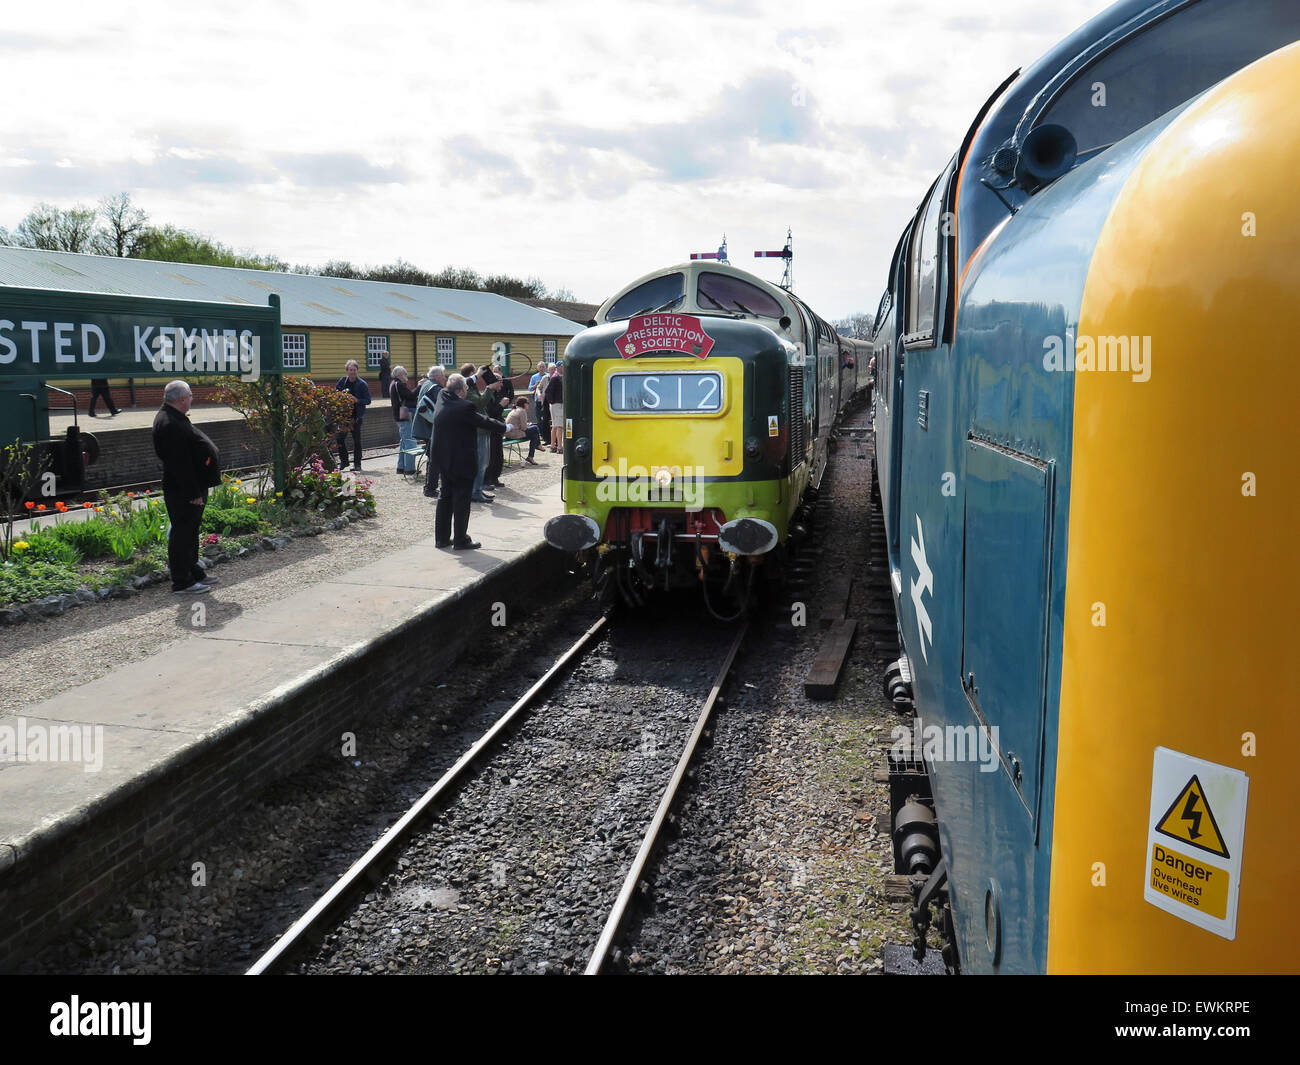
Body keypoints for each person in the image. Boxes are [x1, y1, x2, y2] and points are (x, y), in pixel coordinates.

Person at [152, 380, 222, 595]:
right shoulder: (169, 423)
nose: (192, 399)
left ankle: (194, 572)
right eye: (190, 395)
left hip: (191, 487)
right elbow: (179, 464)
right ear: (182, 398)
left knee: (190, 532)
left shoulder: (174, 418)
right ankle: (181, 581)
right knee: (182, 534)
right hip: (183, 490)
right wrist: (192, 493)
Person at [432, 372, 505, 551]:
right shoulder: (464, 407)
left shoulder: (443, 396)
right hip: (461, 461)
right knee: (462, 500)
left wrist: (476, 375)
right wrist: (506, 427)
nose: (467, 390)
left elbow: (455, 386)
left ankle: (441, 539)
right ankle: (460, 540)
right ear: (461, 391)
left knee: (445, 497)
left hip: (443, 459)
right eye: (465, 387)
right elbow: (483, 421)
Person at [462, 363, 494, 502]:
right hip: (477, 430)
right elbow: (479, 403)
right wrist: (489, 390)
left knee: (484, 463)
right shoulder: (465, 388)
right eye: (475, 372)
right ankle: (475, 491)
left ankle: (478, 489)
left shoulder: (470, 387)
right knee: (480, 463)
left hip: (482, 429)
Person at [334, 360, 372, 471]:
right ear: (347, 371)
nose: (352, 372)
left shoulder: (362, 384)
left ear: (357, 371)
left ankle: (357, 464)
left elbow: (368, 400)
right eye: (350, 370)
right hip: (343, 417)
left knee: (357, 441)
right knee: (340, 439)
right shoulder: (342, 381)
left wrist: (357, 400)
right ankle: (344, 462)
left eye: (354, 370)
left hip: (356, 417)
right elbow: (335, 392)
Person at [415, 366, 446, 498]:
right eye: (443, 375)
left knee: (432, 458)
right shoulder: (436, 388)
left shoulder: (426, 383)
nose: (445, 378)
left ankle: (429, 486)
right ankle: (430, 488)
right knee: (435, 459)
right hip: (431, 428)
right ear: (437, 376)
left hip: (424, 426)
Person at [483, 370, 510, 489]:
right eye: (500, 382)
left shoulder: (497, 393)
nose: (502, 385)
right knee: (492, 455)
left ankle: (495, 478)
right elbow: (491, 413)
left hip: (498, 428)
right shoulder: (487, 395)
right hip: (491, 429)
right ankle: (488, 479)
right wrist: (501, 406)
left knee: (498, 455)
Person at [390, 366, 419, 474]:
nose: (406, 376)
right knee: (410, 442)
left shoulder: (394, 384)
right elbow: (411, 396)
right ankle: (410, 469)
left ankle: (401, 467)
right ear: (399, 375)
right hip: (404, 416)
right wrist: (420, 386)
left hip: (398, 416)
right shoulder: (399, 384)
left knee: (404, 442)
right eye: (405, 374)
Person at [505, 396, 544, 464]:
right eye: (528, 403)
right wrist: (528, 425)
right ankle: (537, 447)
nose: (528, 405)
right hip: (514, 434)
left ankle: (531, 456)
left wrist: (527, 425)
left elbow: (520, 425)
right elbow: (524, 428)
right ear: (525, 404)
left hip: (509, 434)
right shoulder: (522, 411)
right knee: (535, 428)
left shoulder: (515, 410)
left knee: (534, 434)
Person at [544, 363, 564, 453]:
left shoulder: (559, 376)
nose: (564, 367)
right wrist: (552, 402)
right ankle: (559, 447)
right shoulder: (556, 377)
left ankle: (553, 446)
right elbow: (548, 391)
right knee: (559, 426)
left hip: (557, 403)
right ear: (558, 367)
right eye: (562, 366)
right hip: (557, 404)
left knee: (555, 426)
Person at [533, 362, 552, 440]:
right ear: (537, 368)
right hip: (538, 400)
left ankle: (548, 437)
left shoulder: (548, 376)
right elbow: (530, 388)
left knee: (547, 419)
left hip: (548, 401)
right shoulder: (534, 377)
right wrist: (535, 386)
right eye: (540, 367)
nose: (541, 368)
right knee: (540, 419)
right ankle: (542, 435)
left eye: (543, 367)